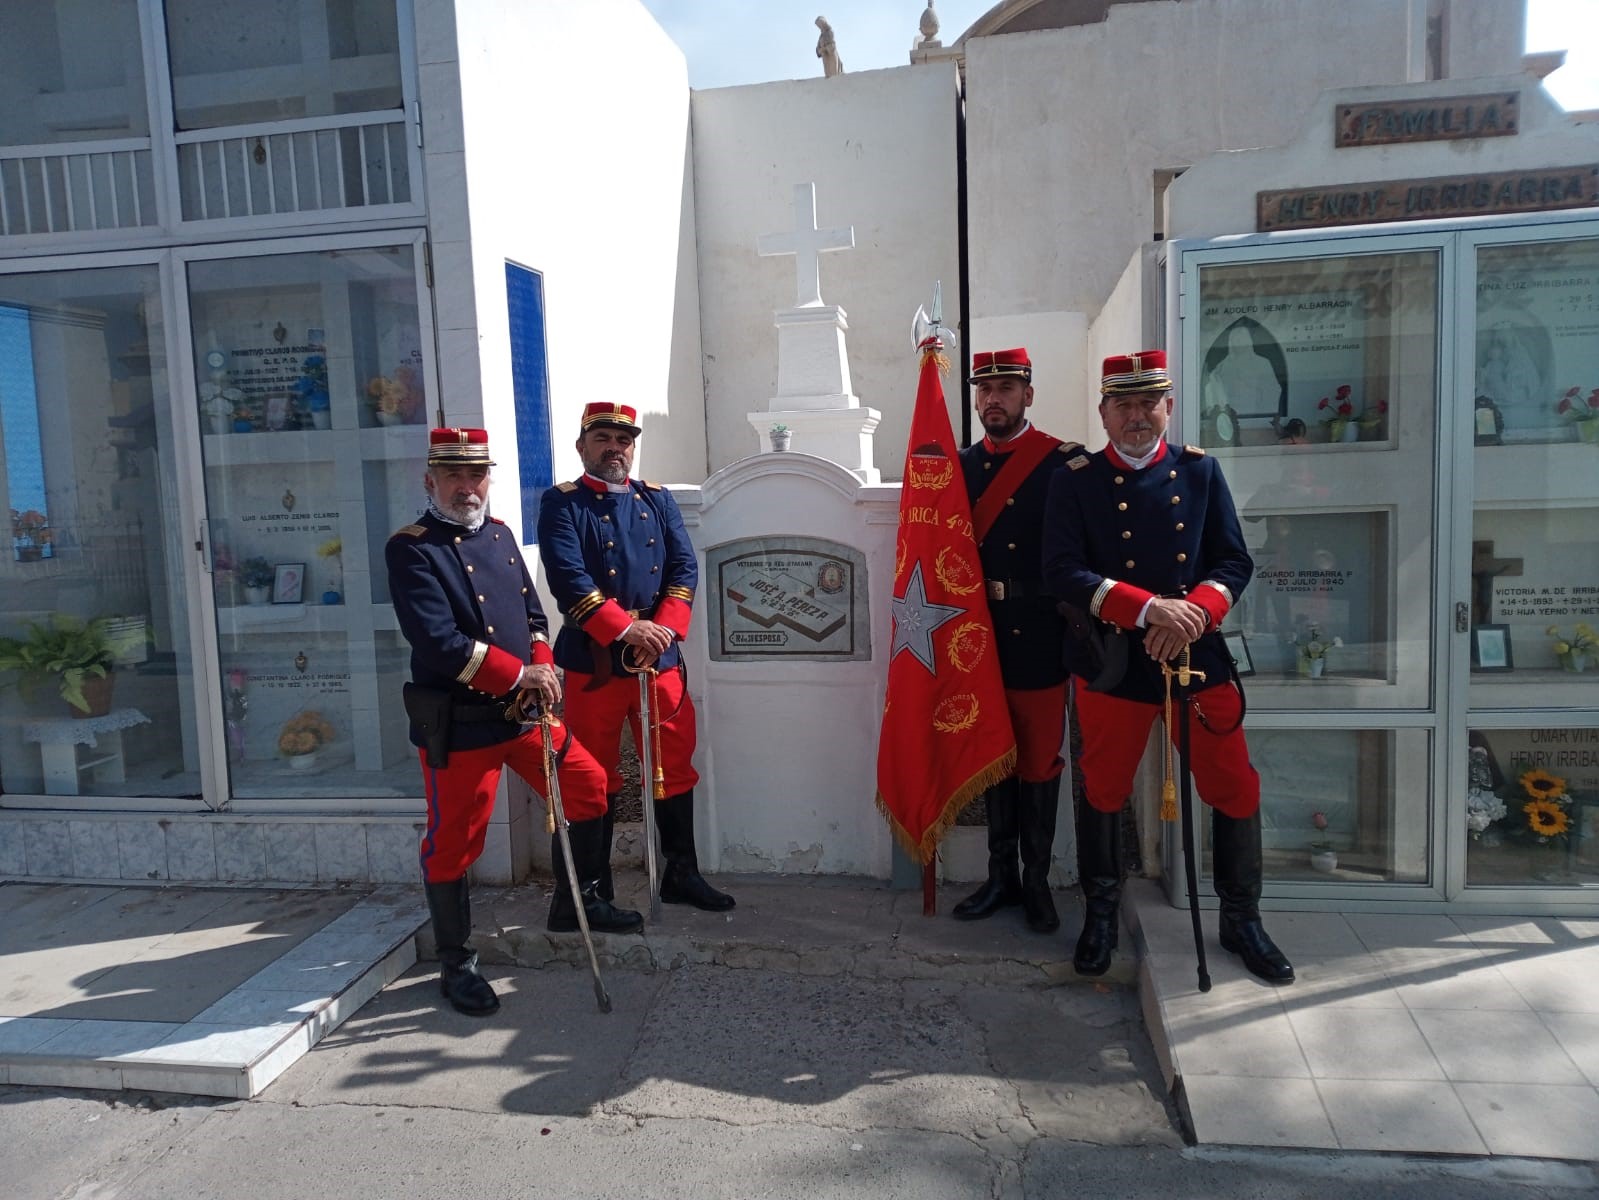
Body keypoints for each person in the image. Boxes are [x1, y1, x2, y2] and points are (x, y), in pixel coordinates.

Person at [1042, 351, 1294, 985]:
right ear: (1103, 412)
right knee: (1103, 787)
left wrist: (1192, 614)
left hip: (1195, 654)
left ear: (1169, 408)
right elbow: (1061, 571)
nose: (1135, 416)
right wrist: (1151, 610)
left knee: (1234, 785)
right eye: (1122, 405)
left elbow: (1233, 563)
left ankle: (1242, 919)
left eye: (1147, 403)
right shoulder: (1075, 477)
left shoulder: (1201, 473)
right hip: (1113, 658)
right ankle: (1101, 914)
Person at [387, 427, 642, 1017]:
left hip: (526, 714)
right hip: (462, 722)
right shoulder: (413, 549)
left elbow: (533, 615)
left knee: (589, 785)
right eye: (454, 476)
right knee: (456, 842)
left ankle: (578, 901)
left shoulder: (500, 535)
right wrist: (518, 675)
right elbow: (439, 642)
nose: (467, 487)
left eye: (476, 476)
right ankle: (457, 962)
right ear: (431, 481)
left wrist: (544, 667)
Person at [538, 403, 734, 913]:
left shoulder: (657, 499)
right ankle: (592, 889)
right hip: (594, 664)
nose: (614, 448)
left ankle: (681, 874)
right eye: (602, 438)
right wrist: (626, 630)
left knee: (674, 766)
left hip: (657, 660)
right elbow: (568, 578)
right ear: (582, 447)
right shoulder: (562, 504)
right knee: (592, 774)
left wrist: (662, 630)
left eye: (623, 440)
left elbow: (683, 568)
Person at [953, 348, 1081, 933]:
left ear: (1028, 394)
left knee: (1037, 761)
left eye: (1005, 388)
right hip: (978, 639)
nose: (993, 400)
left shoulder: (1062, 464)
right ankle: (999, 875)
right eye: (984, 390)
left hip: (1037, 636)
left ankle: (1036, 880)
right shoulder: (959, 466)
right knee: (993, 757)